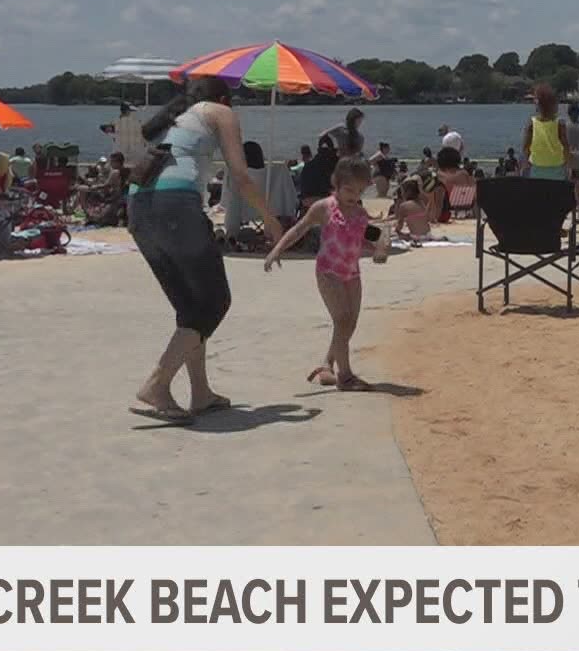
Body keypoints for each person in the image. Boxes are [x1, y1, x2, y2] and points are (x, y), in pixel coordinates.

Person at [127, 78, 282, 424]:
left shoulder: (176, 118)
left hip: (138, 207)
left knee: (191, 308)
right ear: (225, 98)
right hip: (175, 206)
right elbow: (240, 178)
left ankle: (201, 393)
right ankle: (156, 385)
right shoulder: (220, 112)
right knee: (214, 302)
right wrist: (271, 220)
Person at [264, 156, 387, 390]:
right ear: (336, 185)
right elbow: (299, 229)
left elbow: (358, 241)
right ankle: (346, 376)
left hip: (352, 272)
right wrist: (277, 248)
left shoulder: (360, 213)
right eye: (349, 189)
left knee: (349, 324)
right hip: (328, 271)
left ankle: (327, 364)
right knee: (341, 320)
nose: (354, 195)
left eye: (360, 190)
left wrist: (378, 249)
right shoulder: (324, 207)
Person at [524, 84, 568, 180]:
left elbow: (526, 148)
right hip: (557, 168)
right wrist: (566, 163)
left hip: (537, 168)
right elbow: (566, 147)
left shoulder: (531, 123)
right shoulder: (560, 123)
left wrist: (527, 163)